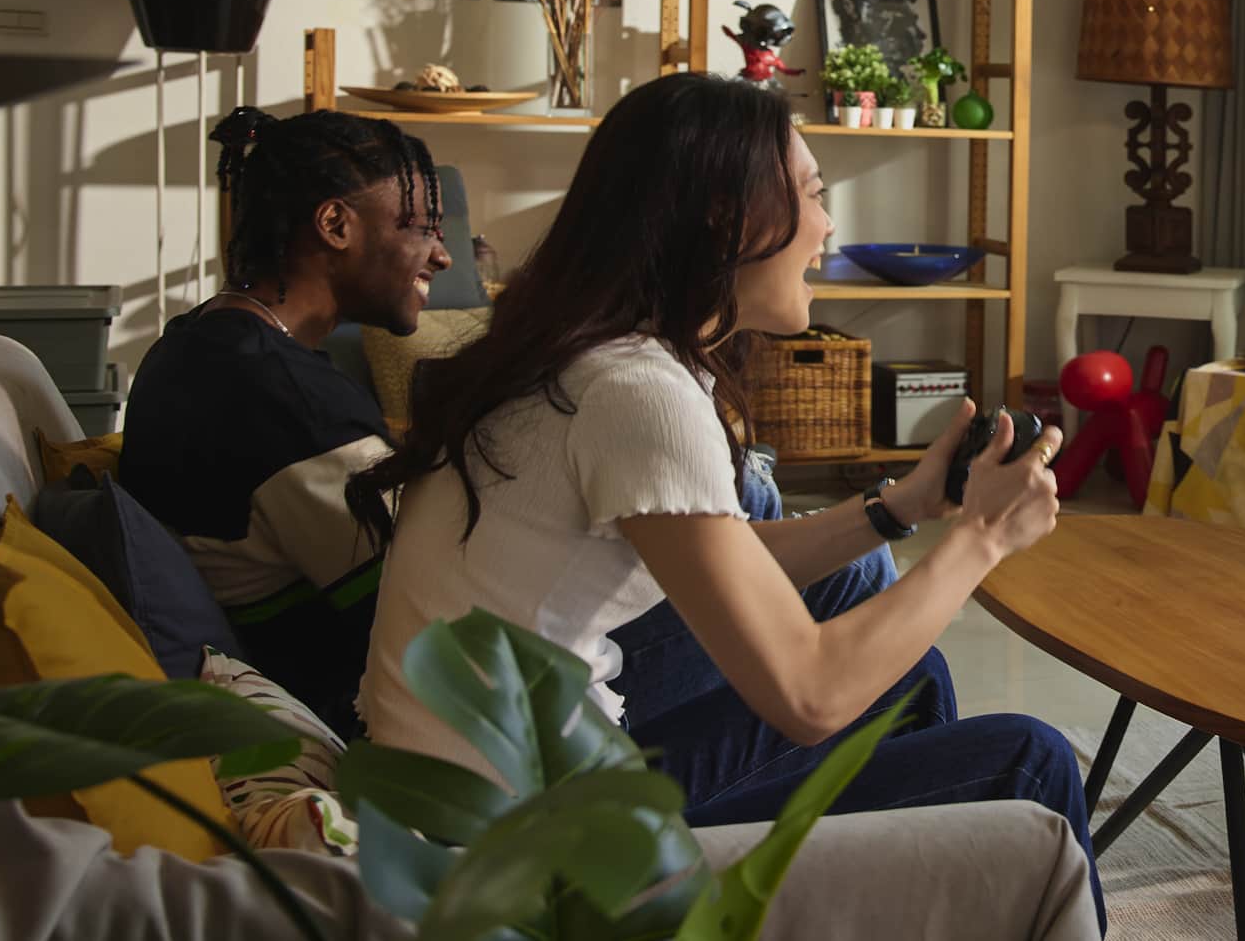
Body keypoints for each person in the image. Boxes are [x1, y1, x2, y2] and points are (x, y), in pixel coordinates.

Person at [346, 74, 1100, 924]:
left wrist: (901, 508)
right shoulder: (636, 392)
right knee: (1032, 761)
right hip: (528, 864)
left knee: (907, 676)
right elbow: (809, 697)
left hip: (494, 798)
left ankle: (901, 887)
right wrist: (982, 537)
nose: (827, 226)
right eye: (814, 195)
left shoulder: (596, 354)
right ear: (724, 219)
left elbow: (721, 557)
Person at [118, 107, 450, 739]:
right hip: (376, 720)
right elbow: (429, 612)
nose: (442, 256)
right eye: (422, 227)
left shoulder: (198, 341)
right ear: (335, 224)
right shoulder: (287, 399)